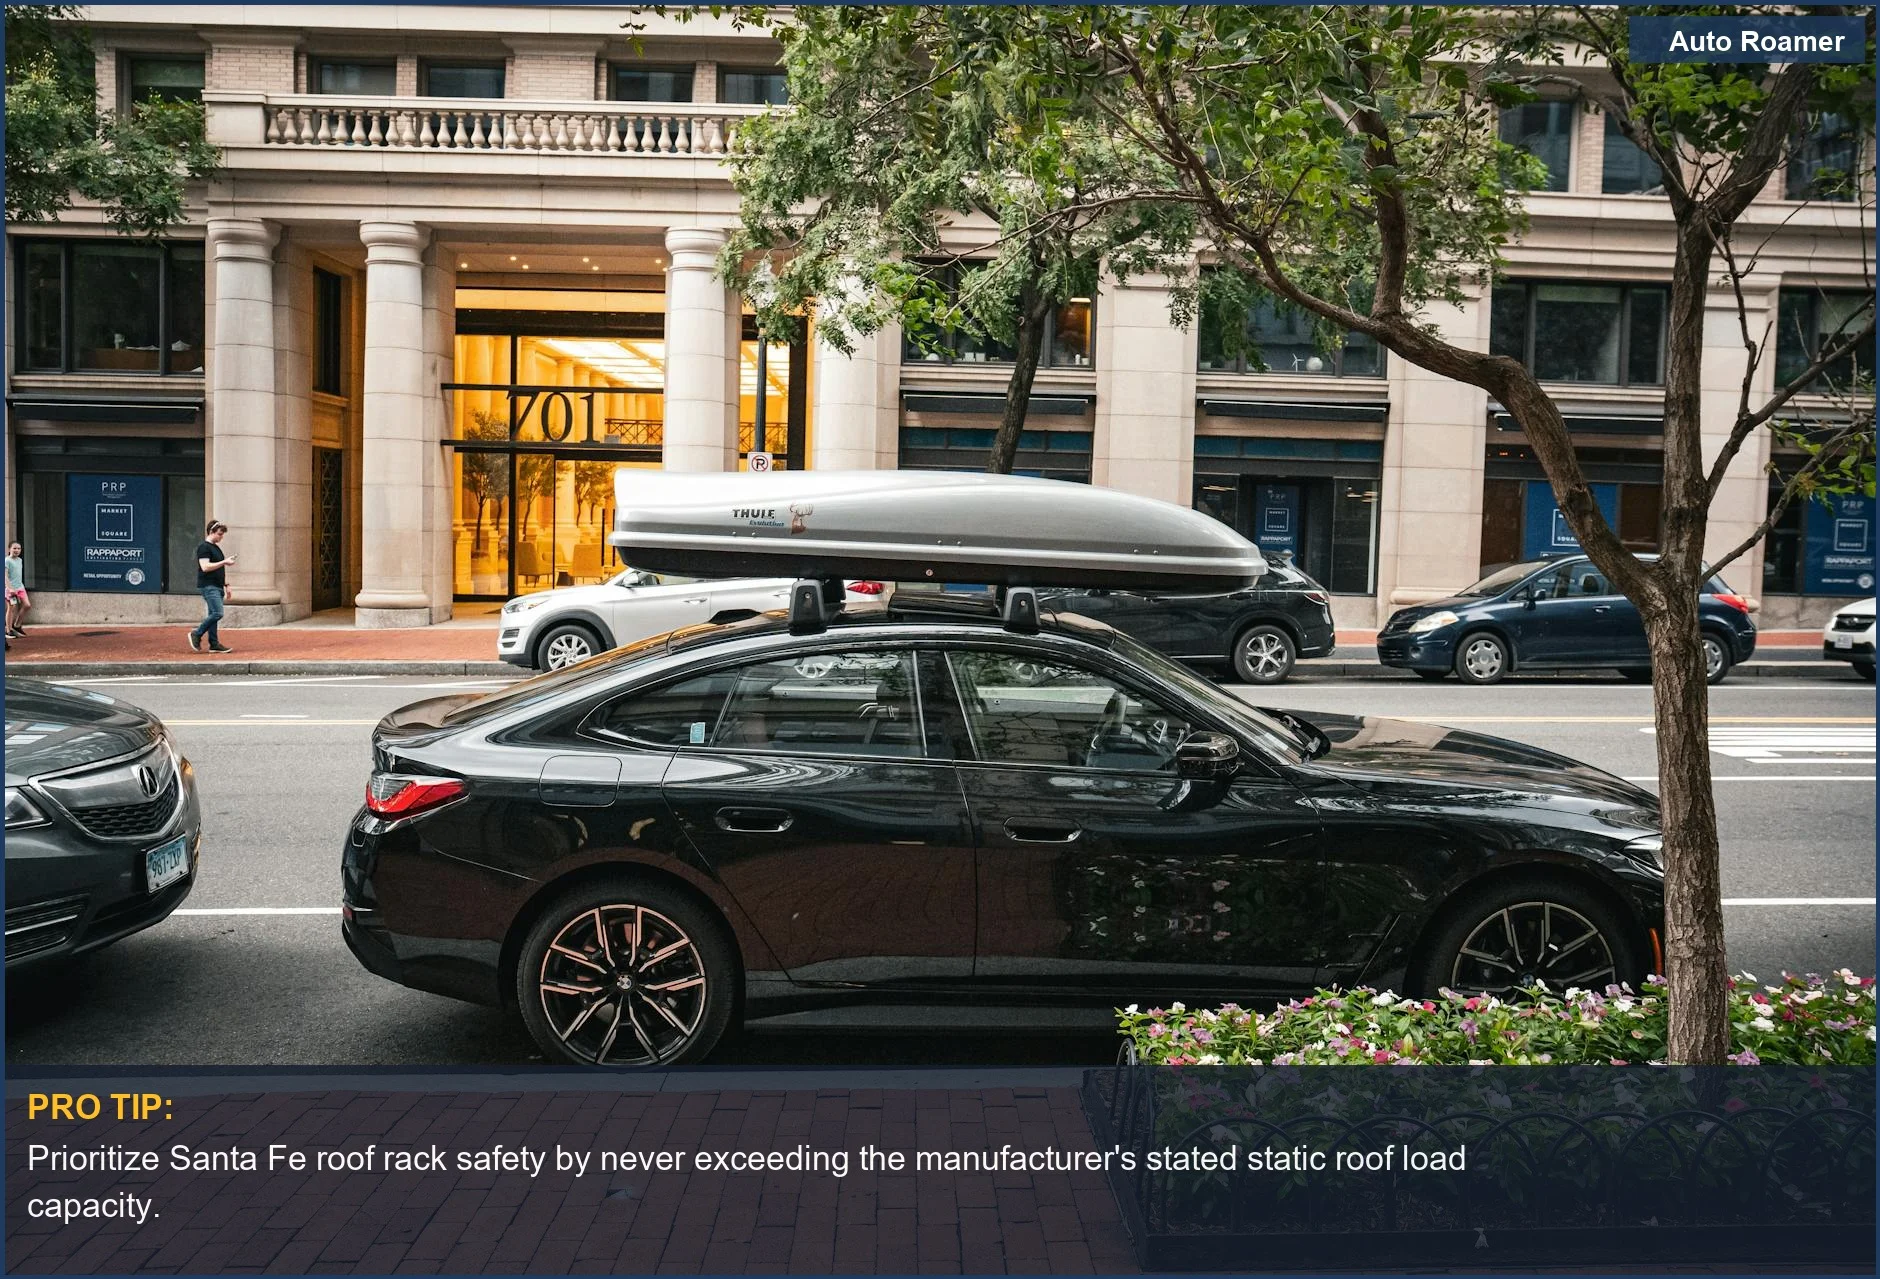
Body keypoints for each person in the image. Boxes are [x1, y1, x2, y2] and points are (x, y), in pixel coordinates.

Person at [188, 520, 238, 654]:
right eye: (220, 534)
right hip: (209, 585)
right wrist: (225, 561)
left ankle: (214, 643)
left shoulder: (215, 548)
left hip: (216, 585)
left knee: (213, 615)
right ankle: (197, 633)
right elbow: (205, 567)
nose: (221, 537)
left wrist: (226, 584)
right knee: (218, 613)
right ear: (211, 532)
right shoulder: (204, 547)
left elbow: (218, 569)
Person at [5, 541, 27, 639]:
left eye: (19, 548)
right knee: (12, 608)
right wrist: (10, 588)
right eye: (14, 548)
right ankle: (8, 631)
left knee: (27, 605)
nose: (17, 550)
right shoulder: (6, 560)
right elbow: (4, 576)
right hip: (11, 589)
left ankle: (17, 625)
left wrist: (19, 587)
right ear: (9, 549)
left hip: (20, 588)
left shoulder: (19, 560)